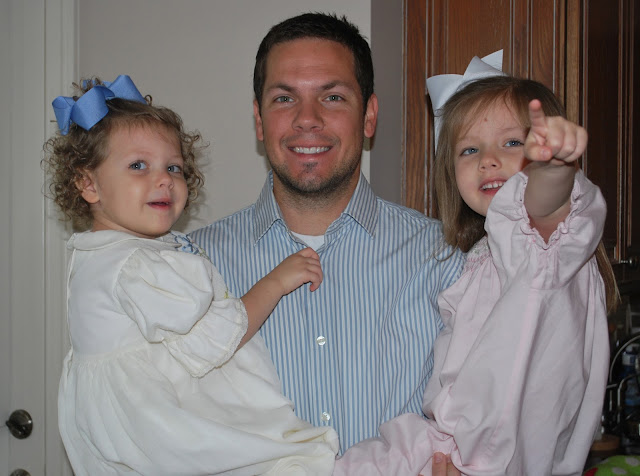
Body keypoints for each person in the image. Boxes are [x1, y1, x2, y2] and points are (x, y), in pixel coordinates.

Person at [189, 12, 464, 456]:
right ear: (259, 119)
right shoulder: (193, 267)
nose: (307, 119)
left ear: (369, 116)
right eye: (284, 99)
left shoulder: (446, 260)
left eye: (332, 97)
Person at [44, 75, 339, 475]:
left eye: (174, 167)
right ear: (88, 183)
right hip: (169, 434)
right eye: (138, 165)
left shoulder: (98, 255)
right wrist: (276, 282)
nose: (164, 178)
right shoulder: (136, 265)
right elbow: (217, 339)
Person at [332, 64, 618, 474]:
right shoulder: (481, 256)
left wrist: (552, 168)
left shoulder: (542, 246)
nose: (488, 160)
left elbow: (547, 206)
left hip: (495, 458)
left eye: (513, 143)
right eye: (469, 150)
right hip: (453, 443)